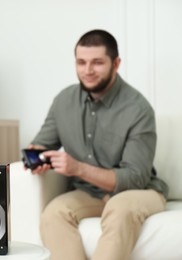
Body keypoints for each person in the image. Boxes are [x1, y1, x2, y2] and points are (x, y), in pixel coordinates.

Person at [28, 29, 168, 260]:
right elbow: (40, 145)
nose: (87, 70)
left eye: (97, 62)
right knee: (54, 214)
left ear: (116, 63)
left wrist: (78, 168)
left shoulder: (138, 109)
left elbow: (134, 178)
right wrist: (35, 160)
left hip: (138, 191)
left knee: (120, 209)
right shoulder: (64, 101)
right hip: (88, 193)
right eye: (81, 62)